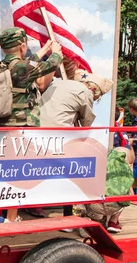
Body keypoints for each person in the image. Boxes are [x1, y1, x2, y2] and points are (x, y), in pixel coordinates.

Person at [0, 27, 63, 223]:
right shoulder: (21, 68)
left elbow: (30, 63)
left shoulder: (6, 65)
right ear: (22, 46)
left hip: (2, 127)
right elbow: (52, 64)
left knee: (2, 172)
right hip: (19, 129)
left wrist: (44, 48)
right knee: (17, 175)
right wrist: (55, 51)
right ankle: (11, 219)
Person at [39, 69, 112, 227]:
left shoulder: (59, 84)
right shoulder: (85, 91)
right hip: (58, 138)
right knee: (76, 171)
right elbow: (86, 123)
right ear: (93, 89)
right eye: (96, 97)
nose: (94, 98)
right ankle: (70, 218)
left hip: (36, 134)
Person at [79, 147, 135, 233]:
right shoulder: (124, 174)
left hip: (94, 205)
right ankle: (113, 221)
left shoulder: (100, 163)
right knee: (125, 195)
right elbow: (131, 196)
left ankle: (90, 218)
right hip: (113, 206)